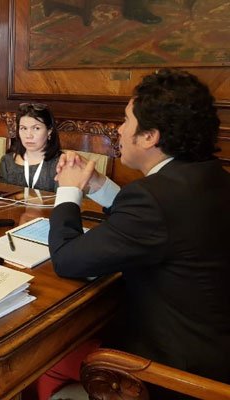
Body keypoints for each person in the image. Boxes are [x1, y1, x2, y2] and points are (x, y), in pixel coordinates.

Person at [41, 69, 230, 399]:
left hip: (173, 373)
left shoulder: (154, 199)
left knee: (45, 362)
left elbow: (67, 260)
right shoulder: (209, 176)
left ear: (149, 137)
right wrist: (96, 185)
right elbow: (158, 225)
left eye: (125, 121)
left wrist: (69, 192)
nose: (119, 129)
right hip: (213, 348)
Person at [0, 102, 62, 192]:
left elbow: (64, 202)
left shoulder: (61, 163)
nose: (28, 135)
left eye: (36, 128)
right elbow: (1, 198)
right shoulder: (7, 161)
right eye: (23, 128)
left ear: (49, 131)